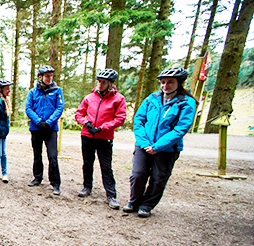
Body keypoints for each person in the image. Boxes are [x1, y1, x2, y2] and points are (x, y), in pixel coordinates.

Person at [124, 67, 197, 218]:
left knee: (158, 178)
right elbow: (138, 120)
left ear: (179, 83)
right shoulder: (152, 98)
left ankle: (147, 205)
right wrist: (144, 143)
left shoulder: (186, 103)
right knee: (138, 174)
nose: (165, 86)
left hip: (167, 149)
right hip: (144, 145)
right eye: (163, 82)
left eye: (170, 82)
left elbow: (180, 129)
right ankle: (134, 201)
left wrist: (158, 146)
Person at [74, 68, 127, 210]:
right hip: (87, 135)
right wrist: (86, 123)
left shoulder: (118, 99)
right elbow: (79, 114)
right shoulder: (89, 97)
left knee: (106, 166)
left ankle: (111, 195)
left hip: (104, 137)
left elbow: (120, 118)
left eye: (103, 82)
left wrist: (103, 127)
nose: (100, 84)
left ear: (110, 83)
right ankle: (87, 187)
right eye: (98, 81)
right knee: (87, 163)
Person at [25, 65, 64, 195]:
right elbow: (28, 108)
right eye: (47, 76)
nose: (49, 78)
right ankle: (37, 177)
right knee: (37, 154)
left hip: (51, 129)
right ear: (40, 77)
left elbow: (59, 107)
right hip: (36, 128)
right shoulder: (32, 92)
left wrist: (49, 122)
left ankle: (55, 183)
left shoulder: (57, 90)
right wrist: (38, 121)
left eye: (51, 76)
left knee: (53, 156)